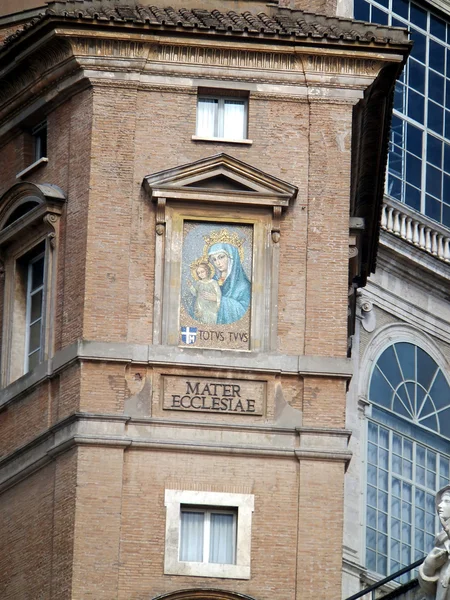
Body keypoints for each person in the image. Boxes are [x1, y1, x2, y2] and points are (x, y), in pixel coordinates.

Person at [206, 242, 251, 325]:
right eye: (214, 259)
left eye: (221, 257)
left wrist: (219, 300)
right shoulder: (212, 280)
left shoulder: (244, 285)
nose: (218, 263)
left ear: (231, 257)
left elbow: (245, 312)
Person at [419, 484, 450, 600]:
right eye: (440, 501)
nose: (440, 506)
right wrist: (429, 567)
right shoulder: (443, 539)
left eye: (446, 501)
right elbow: (429, 591)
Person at [187, 260, 221, 325]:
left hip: (211, 310)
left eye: (202, 271)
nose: (200, 274)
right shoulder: (199, 283)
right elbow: (195, 293)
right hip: (201, 309)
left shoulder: (213, 282)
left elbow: (218, 295)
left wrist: (216, 306)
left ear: (207, 271)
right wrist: (191, 286)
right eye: (198, 273)